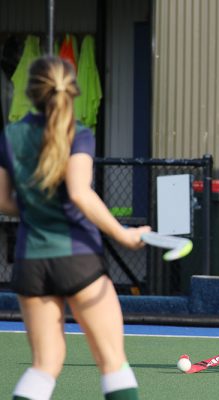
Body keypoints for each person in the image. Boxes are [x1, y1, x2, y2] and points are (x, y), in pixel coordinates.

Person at [0, 56, 150, 400]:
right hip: (78, 259)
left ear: (30, 92)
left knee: (44, 366)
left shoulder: (9, 135)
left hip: (31, 263)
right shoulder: (78, 133)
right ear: (72, 91)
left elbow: (4, 200)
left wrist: (36, 206)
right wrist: (125, 234)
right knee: (112, 362)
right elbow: (80, 193)